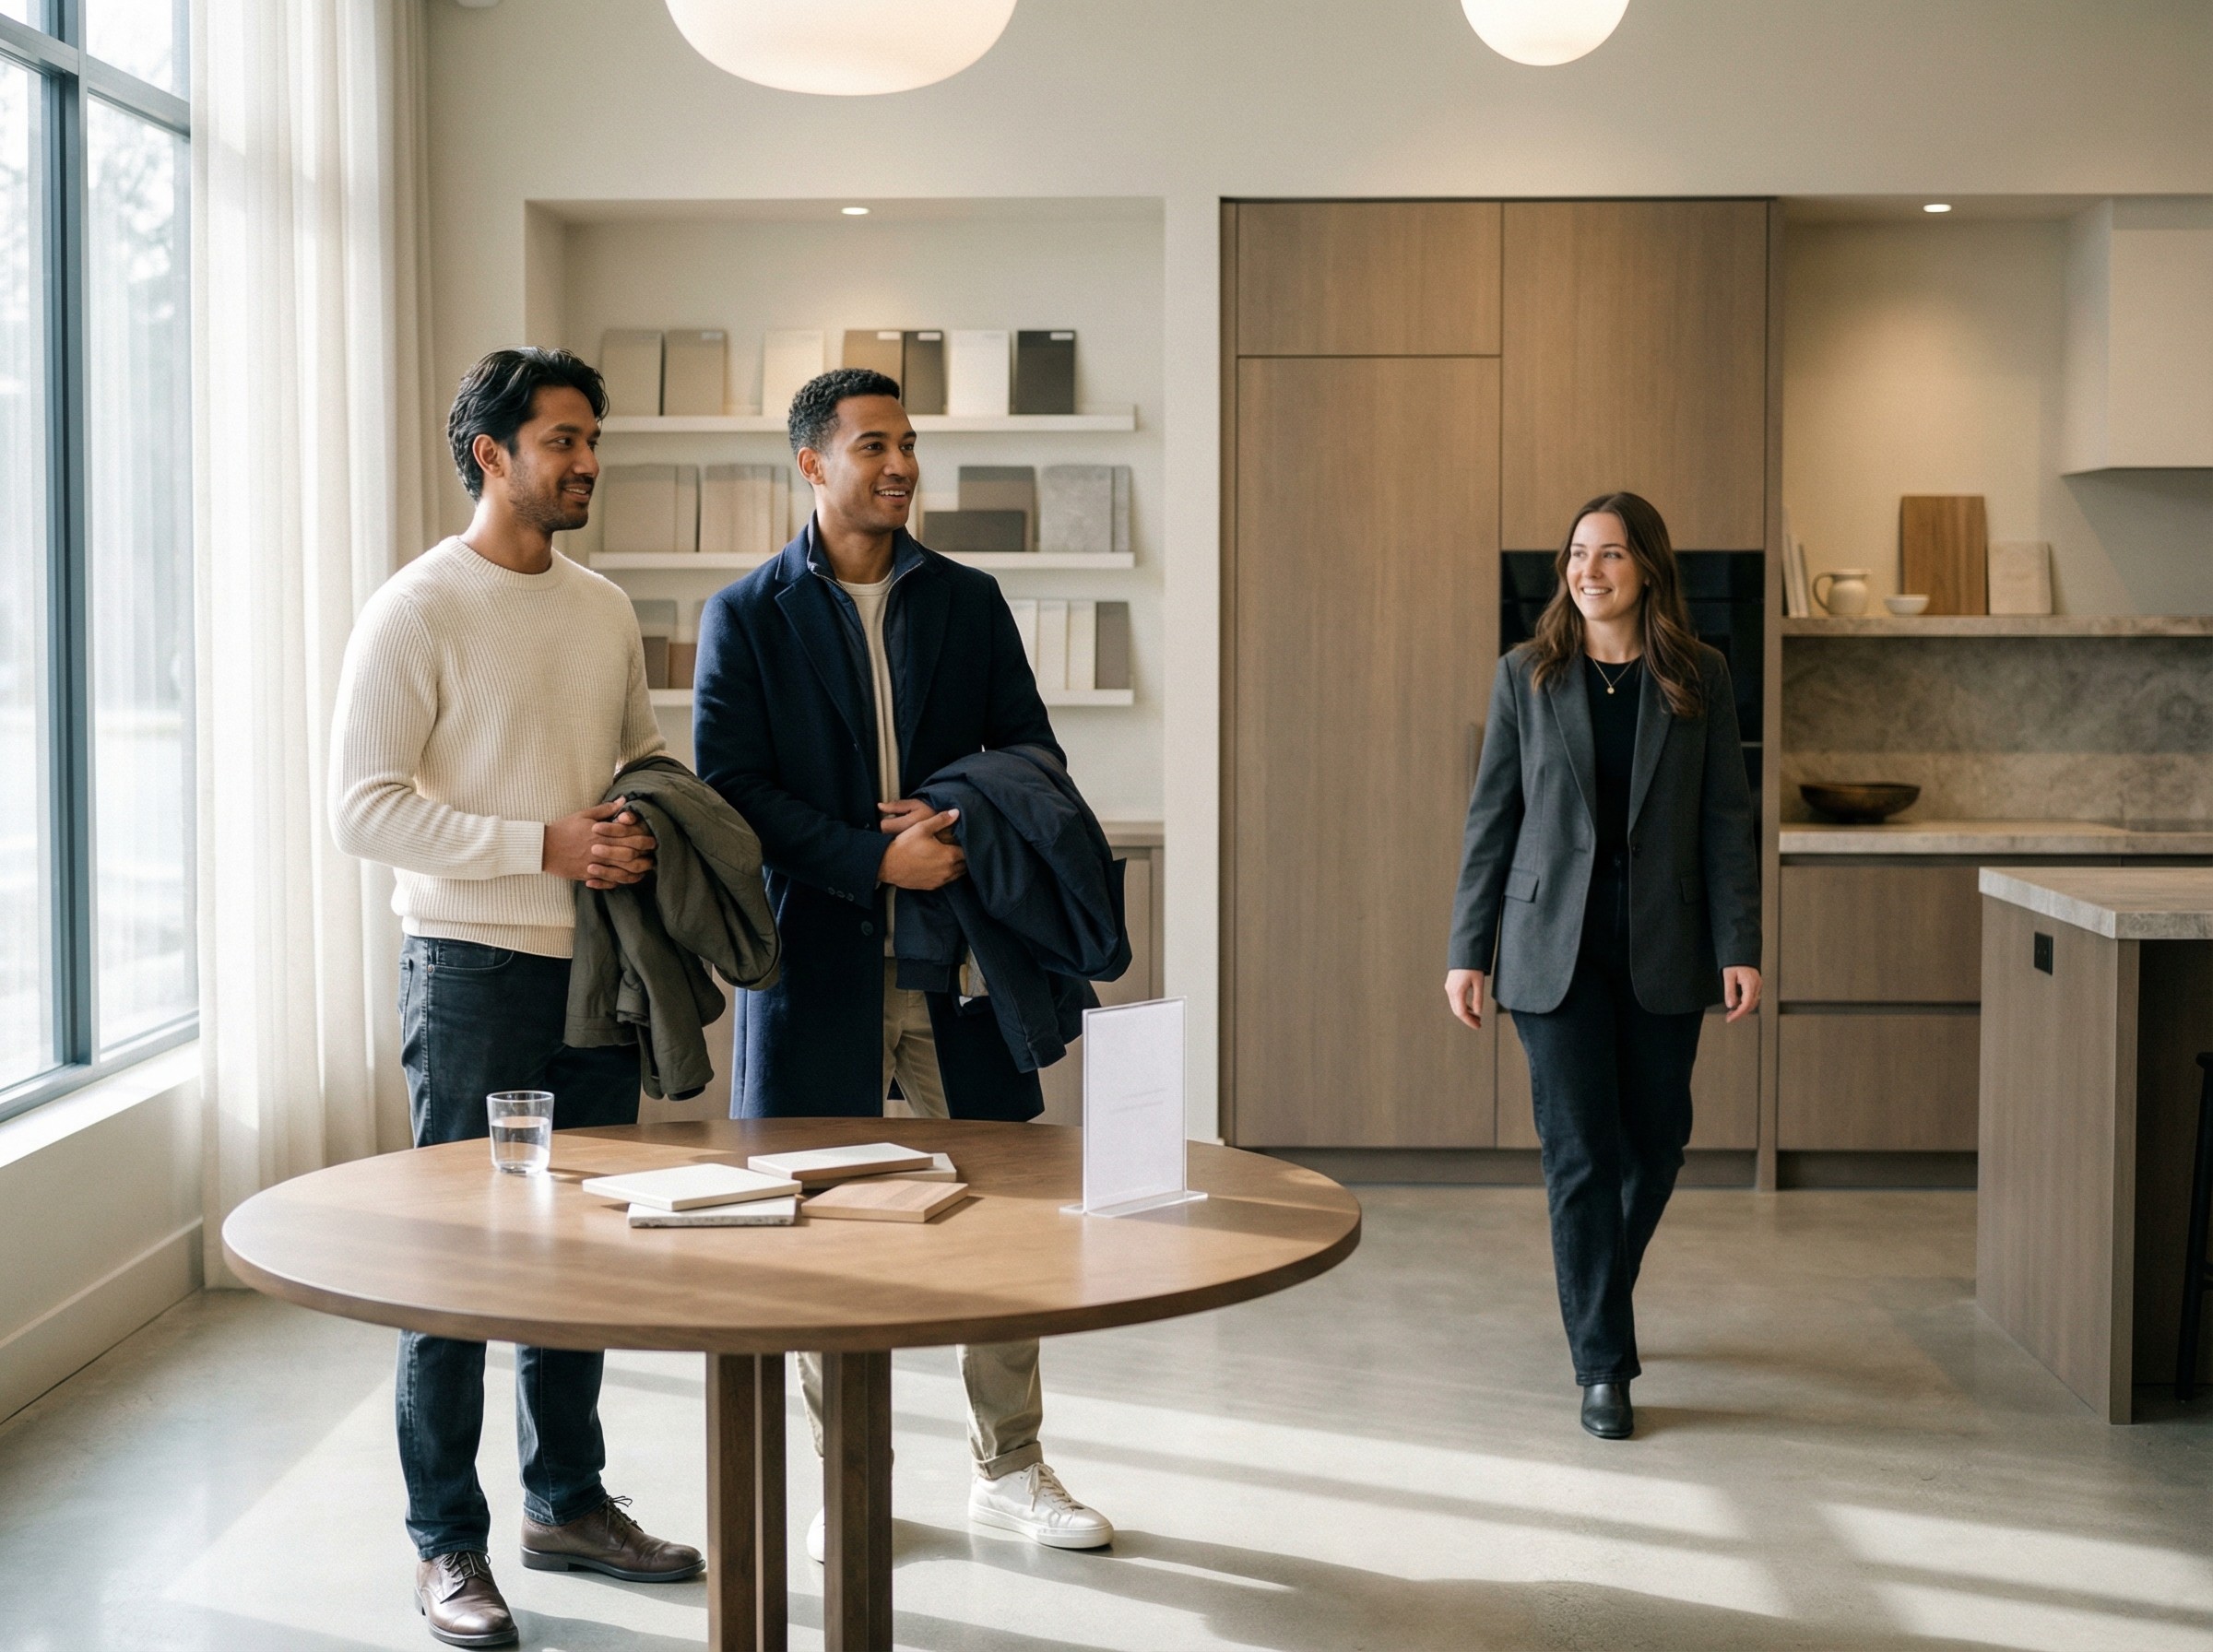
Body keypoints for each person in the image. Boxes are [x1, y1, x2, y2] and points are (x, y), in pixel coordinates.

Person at [692, 367, 1115, 1562]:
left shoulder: (970, 601)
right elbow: (732, 794)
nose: (899, 464)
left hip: (957, 960)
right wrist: (874, 865)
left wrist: (959, 831)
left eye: (909, 444)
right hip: (811, 965)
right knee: (820, 1233)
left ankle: (1011, 1468)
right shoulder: (747, 614)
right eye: (872, 444)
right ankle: (848, 1476)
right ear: (811, 465)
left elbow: (1032, 750)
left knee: (1006, 1219)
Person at [330, 348, 703, 1648]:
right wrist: (539, 845)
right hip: (473, 971)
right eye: (562, 440)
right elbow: (361, 809)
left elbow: (639, 751)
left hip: (595, 971)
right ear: (490, 453)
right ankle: (446, 1543)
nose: (587, 460)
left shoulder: (602, 606)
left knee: (577, 1257)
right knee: (459, 1267)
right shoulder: (417, 609)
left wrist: (655, 813)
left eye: (592, 438)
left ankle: (567, 1504)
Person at [1444, 491, 1761, 1442]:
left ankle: (1595, 1290)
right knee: (1578, 1153)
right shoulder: (1526, 677)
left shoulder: (1699, 675)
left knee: (1657, 1140)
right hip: (1552, 952)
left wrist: (1739, 943)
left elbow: (1725, 821)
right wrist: (1468, 949)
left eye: (1611, 555)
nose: (1590, 570)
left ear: (1648, 570)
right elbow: (1491, 819)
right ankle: (1603, 1366)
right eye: (1578, 554)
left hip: (1666, 943)